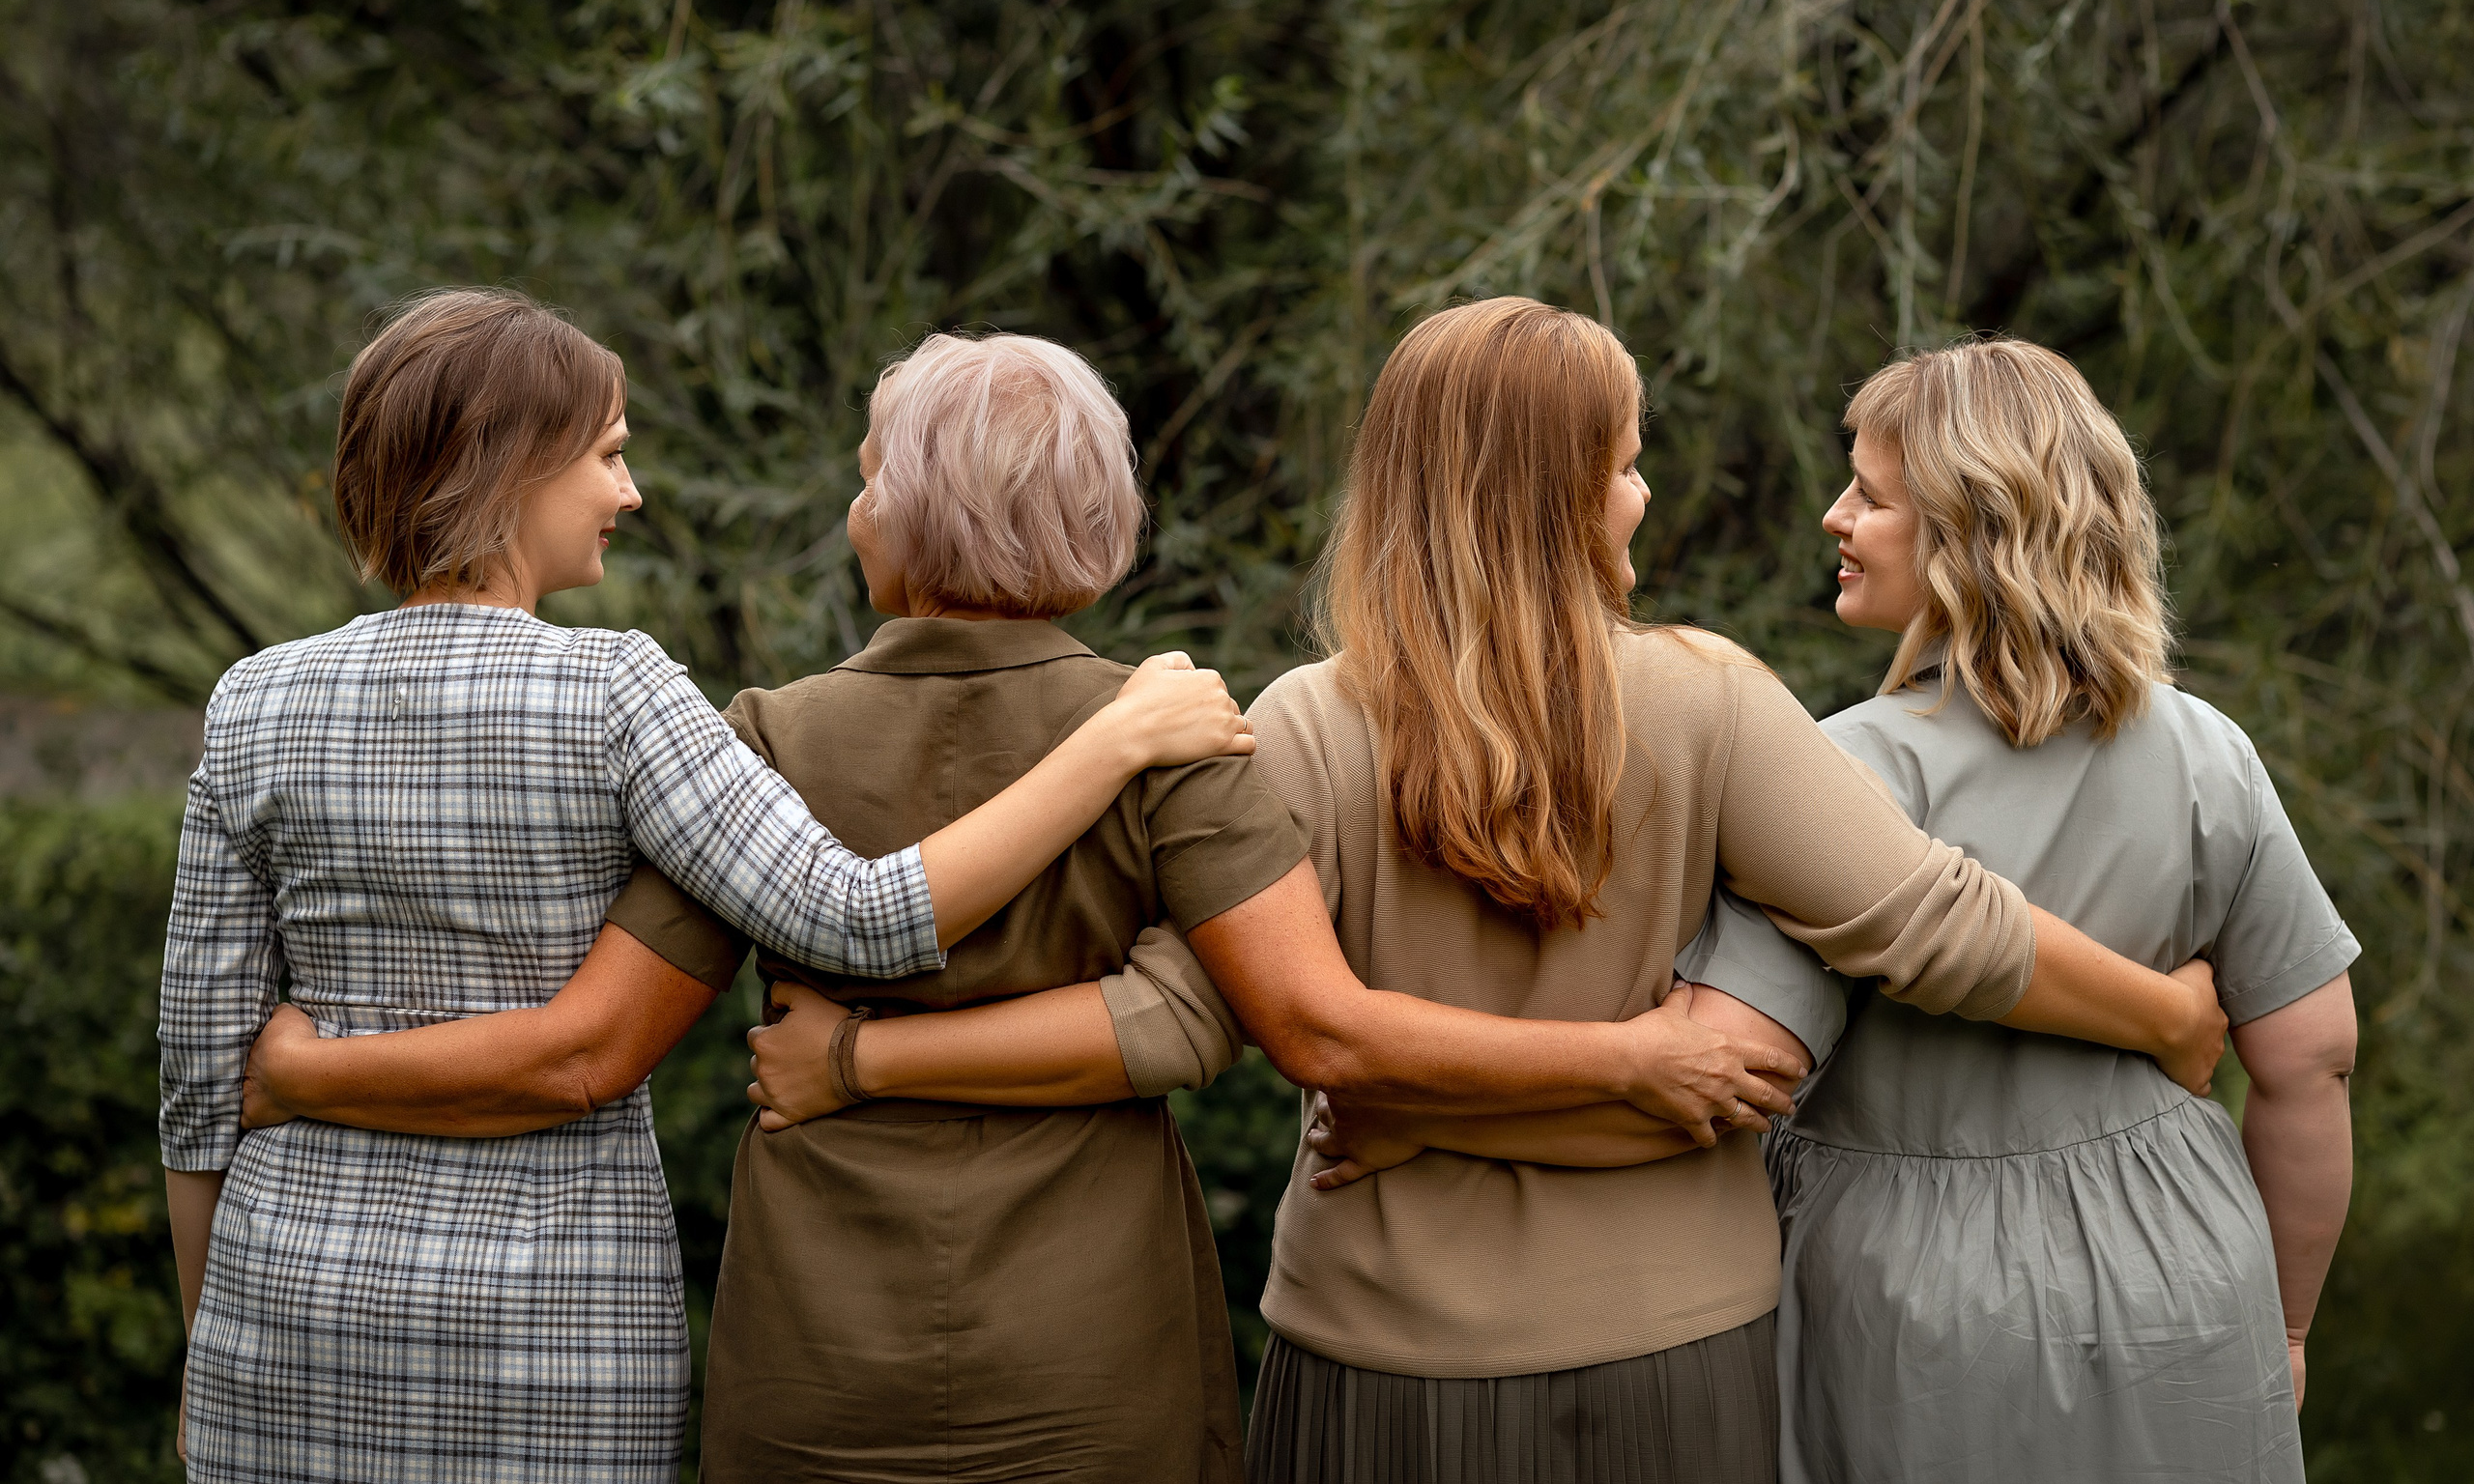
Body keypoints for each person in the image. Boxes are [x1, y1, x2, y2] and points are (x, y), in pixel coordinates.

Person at [245, 328, 1818, 1483]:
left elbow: (613, 1035)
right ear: (1097, 520)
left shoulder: (766, 742)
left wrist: (848, 1061)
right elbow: (1213, 1024)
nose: (855, 508)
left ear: (904, 518)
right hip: (1095, 1338)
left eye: (868, 480)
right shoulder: (1180, 736)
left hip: (821, 1340)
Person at [161, 291, 1259, 1482]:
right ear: (514, 467)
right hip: (552, 1323)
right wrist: (1106, 743)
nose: (628, 494)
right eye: (609, 456)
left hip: (281, 1311)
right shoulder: (620, 693)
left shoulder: (254, 700)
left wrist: (207, 1337)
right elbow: (857, 915)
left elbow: (197, 1074)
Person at [1233, 299, 2230, 1484]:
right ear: (1557, 492)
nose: (1640, 494)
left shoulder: (1292, 726)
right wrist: (2162, 1015)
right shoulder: (1707, 701)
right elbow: (1934, 922)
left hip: (1364, 1354)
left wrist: (1422, 1108)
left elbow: (1288, 1026)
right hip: (1670, 1354)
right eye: (1624, 463)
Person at [1749, 337, 2353, 1482]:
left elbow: (1744, 1057)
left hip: (1909, 1309)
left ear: (1971, 534)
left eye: (1870, 498)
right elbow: (2309, 1058)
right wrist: (2282, 1325)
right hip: (2187, 1278)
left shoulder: (1840, 772)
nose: (1832, 516)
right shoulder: (2206, 754)